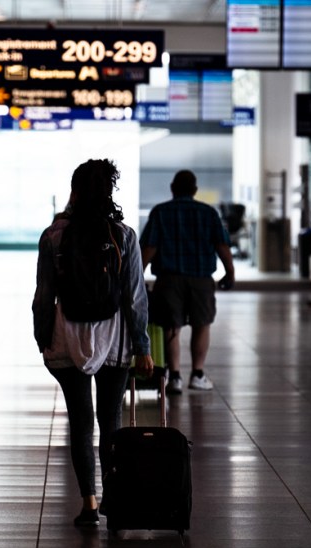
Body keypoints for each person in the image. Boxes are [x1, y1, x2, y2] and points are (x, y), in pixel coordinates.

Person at [32, 159, 154, 528]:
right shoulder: (123, 235)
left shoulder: (53, 235)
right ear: (109, 192)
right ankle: (114, 502)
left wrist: (43, 338)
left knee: (81, 423)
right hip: (114, 341)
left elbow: (43, 296)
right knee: (110, 421)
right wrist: (143, 346)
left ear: (74, 191)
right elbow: (135, 298)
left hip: (67, 339)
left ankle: (88, 502)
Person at [140, 169, 235, 394]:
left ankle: (174, 377)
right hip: (201, 279)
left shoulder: (161, 212)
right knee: (202, 324)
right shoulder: (208, 213)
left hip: (169, 279)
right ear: (195, 190)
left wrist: (137, 276)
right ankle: (198, 374)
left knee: (171, 326)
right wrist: (230, 272)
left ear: (173, 188)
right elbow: (222, 245)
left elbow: (150, 247)